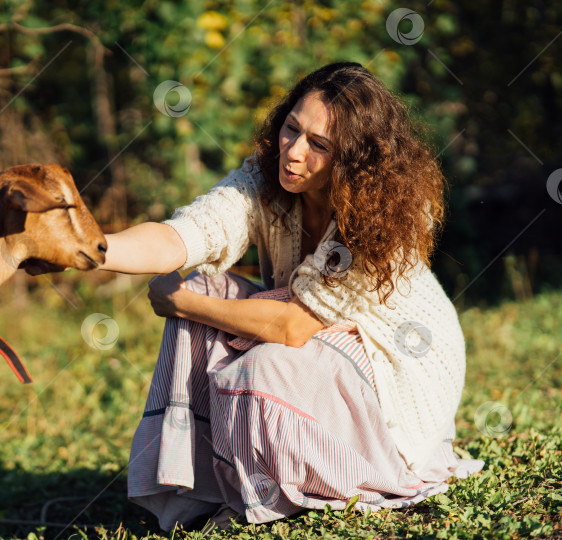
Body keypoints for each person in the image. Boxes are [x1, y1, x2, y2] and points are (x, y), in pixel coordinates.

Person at [98, 62, 483, 531]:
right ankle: (200, 487)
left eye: (319, 145)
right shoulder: (264, 183)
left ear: (354, 159)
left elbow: (293, 326)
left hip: (397, 364)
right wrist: (89, 249)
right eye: (291, 128)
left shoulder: (378, 219)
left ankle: (289, 488)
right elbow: (185, 235)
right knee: (203, 285)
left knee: (261, 365)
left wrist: (179, 303)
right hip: (320, 336)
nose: (293, 152)